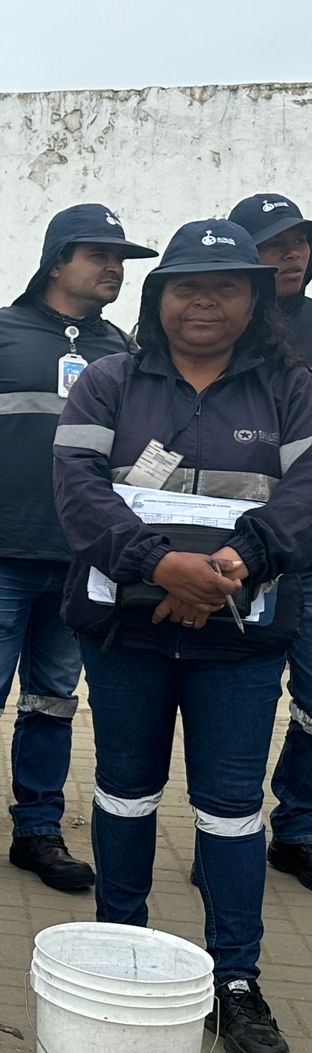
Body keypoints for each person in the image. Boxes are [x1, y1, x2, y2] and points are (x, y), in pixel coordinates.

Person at [54, 218, 312, 1053]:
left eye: (226, 287)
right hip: (127, 633)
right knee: (125, 792)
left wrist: (235, 564)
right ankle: (119, 948)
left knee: (231, 808)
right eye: (186, 287)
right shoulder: (108, 382)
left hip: (240, 643)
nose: (204, 302)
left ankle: (234, 978)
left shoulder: (291, 389)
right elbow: (77, 491)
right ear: (158, 298)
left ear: (255, 299)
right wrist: (162, 567)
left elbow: (306, 493)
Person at [0, 205, 156, 890]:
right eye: (100, 255)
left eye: (120, 259)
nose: (115, 269)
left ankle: (38, 832)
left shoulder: (121, 352)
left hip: (83, 563)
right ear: (56, 261)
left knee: (53, 700)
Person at [229, 193, 312, 890]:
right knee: (239, 705)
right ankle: (227, 826)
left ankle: (299, 827)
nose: (292, 255)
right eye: (274, 244)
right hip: (239, 558)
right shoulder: (221, 332)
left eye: (300, 242)